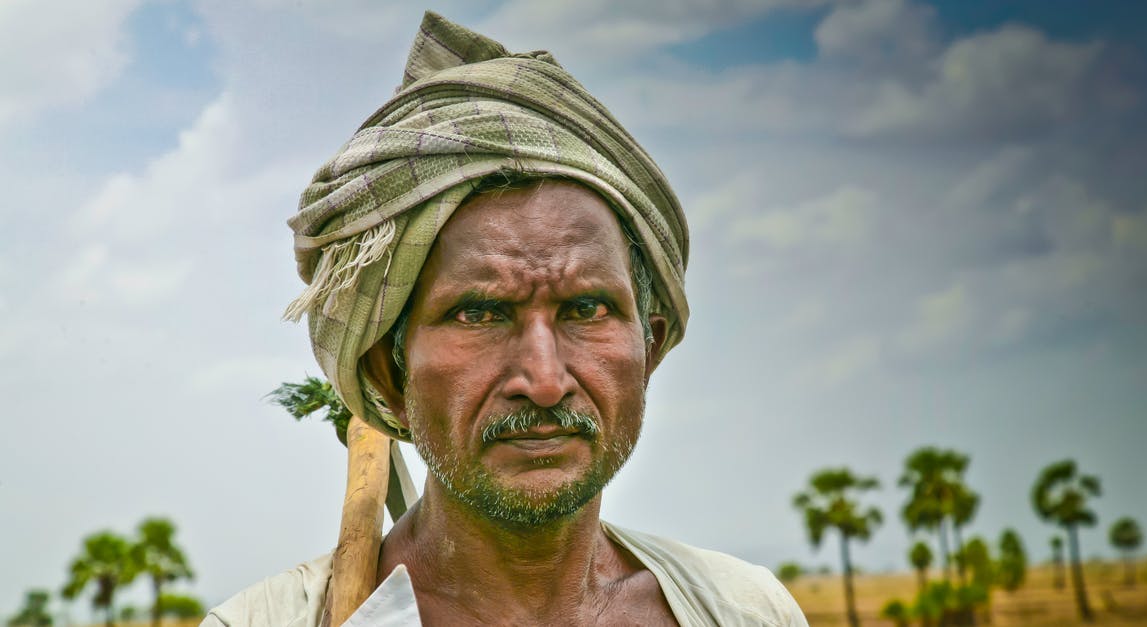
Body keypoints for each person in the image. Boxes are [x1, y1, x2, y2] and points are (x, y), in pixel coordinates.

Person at [203, 11, 807, 627]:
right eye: (481, 313)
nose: (545, 382)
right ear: (389, 371)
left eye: (586, 309)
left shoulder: (744, 611)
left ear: (647, 350)